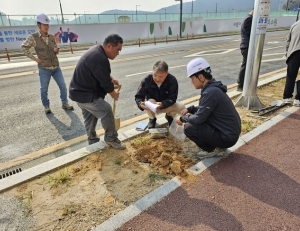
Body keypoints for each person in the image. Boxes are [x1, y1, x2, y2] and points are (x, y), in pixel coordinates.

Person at [176, 57, 241, 160]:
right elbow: (204, 109)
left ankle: (213, 150)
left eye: (192, 78)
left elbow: (198, 119)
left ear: (201, 77)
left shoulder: (210, 92)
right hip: (229, 132)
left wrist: (182, 118)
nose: (191, 82)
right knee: (197, 121)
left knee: (189, 127)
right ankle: (217, 145)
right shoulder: (212, 89)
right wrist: (190, 109)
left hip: (228, 137)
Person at [69, 34, 126, 149]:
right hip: (85, 94)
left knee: (90, 117)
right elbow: (105, 83)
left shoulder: (97, 51)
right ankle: (111, 138)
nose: (118, 53)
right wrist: (113, 94)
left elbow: (99, 73)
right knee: (106, 110)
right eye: (117, 50)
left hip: (78, 93)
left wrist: (110, 79)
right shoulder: (100, 58)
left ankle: (93, 141)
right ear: (109, 46)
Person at [21, 13, 73, 114]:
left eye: (47, 25)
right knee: (44, 89)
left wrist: (56, 50)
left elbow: (55, 49)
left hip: (56, 67)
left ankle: (64, 103)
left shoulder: (52, 37)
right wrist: (35, 59)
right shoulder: (33, 37)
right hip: (44, 68)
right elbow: (24, 47)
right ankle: (46, 106)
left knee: (63, 86)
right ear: (38, 25)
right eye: (44, 25)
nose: (46, 27)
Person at [135, 61, 185, 129]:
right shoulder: (146, 80)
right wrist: (140, 103)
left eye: (161, 76)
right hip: (153, 107)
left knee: (181, 106)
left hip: (167, 105)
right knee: (149, 101)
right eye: (155, 75)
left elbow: (173, 98)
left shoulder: (172, 80)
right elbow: (138, 96)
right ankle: (152, 119)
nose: (157, 79)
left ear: (166, 73)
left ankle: (170, 116)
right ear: (152, 72)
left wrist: (162, 104)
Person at [282, 19, 300, 106]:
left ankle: (287, 97)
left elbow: (287, 41)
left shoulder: (294, 25)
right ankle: (298, 99)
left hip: (293, 53)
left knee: (291, 76)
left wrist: (287, 53)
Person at [237, 10, 253, 92]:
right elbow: (250, 34)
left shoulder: (248, 18)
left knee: (246, 65)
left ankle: (243, 84)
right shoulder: (249, 19)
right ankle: (240, 84)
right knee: (245, 65)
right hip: (246, 47)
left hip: (245, 46)